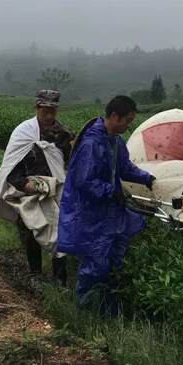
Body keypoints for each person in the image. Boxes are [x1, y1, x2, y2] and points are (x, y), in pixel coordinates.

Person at [57, 95, 156, 314]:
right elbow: (85, 181)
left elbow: (125, 168)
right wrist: (112, 192)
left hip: (109, 211)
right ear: (114, 116)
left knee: (114, 258)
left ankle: (108, 305)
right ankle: (85, 308)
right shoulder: (91, 144)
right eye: (127, 120)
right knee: (96, 262)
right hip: (91, 212)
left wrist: (147, 178)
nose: (129, 125)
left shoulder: (115, 140)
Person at [0, 90, 73, 286]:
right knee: (30, 230)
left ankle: (60, 280)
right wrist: (25, 184)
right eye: (45, 111)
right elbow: (10, 166)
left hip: (54, 189)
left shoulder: (62, 134)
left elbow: (67, 161)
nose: (49, 116)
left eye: (52, 112)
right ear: (37, 108)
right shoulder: (23, 132)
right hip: (27, 191)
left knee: (59, 231)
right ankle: (35, 274)